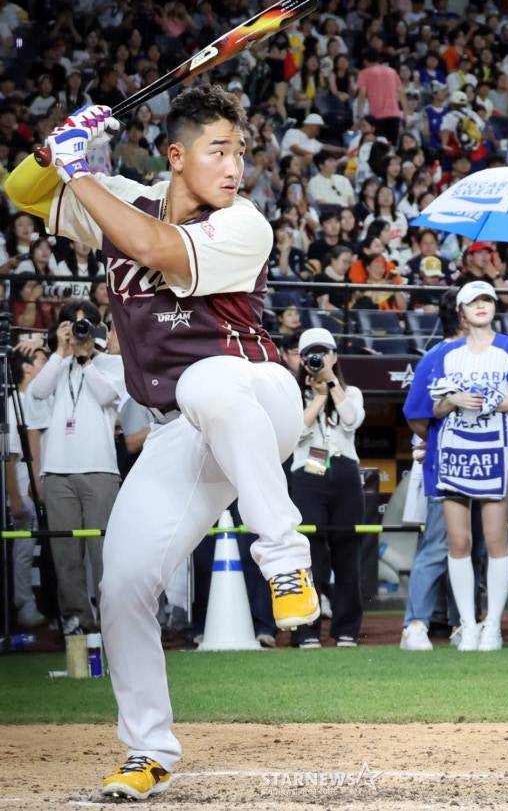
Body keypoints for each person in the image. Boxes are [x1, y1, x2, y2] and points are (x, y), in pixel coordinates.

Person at [5, 87, 319, 799]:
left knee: (206, 382)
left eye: (239, 151)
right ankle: (148, 749)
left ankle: (285, 559)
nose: (234, 165)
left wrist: (78, 169)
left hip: (258, 398)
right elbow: (21, 190)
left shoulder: (245, 224)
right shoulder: (122, 197)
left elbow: (149, 247)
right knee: (121, 587)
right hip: (186, 430)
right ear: (175, 157)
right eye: (217, 150)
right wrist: (60, 140)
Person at [429, 281, 508, 652]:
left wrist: (481, 399)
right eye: (473, 301)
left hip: (497, 451)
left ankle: (493, 625)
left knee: (495, 540)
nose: (481, 306)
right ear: (461, 310)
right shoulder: (447, 353)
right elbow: (436, 407)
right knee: (458, 542)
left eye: (487, 299)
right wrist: (453, 398)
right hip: (454, 449)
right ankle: (468, 625)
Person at [28, 300, 124, 636]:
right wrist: (60, 352)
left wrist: (85, 358)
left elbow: (105, 396)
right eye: (72, 325)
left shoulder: (112, 364)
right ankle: (76, 618)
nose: (78, 331)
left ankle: (112, 619)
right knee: (65, 553)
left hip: (100, 468)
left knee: (103, 553)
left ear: (99, 329)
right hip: (58, 470)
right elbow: (37, 393)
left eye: (84, 325)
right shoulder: (58, 365)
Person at [290, 328, 365, 648]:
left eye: (323, 353)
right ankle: (307, 630)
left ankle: (346, 629)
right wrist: (318, 396)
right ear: (301, 359)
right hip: (308, 474)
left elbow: (352, 420)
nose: (317, 359)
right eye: (310, 354)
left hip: (345, 471)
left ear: (334, 356)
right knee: (310, 551)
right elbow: (294, 432)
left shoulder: (352, 391)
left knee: (348, 551)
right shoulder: (291, 394)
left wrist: (331, 383)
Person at [400, 289, 465, 651]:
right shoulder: (436, 356)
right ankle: (415, 625)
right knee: (439, 545)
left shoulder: (493, 355)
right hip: (446, 469)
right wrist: (441, 440)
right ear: (459, 313)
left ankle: (464, 622)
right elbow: (415, 416)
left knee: (473, 550)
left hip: (484, 467)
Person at [7, 346, 49, 628]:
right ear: (26, 367)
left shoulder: (35, 400)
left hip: (37, 483)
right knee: (23, 550)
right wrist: (16, 498)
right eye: (41, 361)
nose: (45, 365)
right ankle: (23, 605)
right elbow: (8, 458)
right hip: (22, 486)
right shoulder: (12, 404)